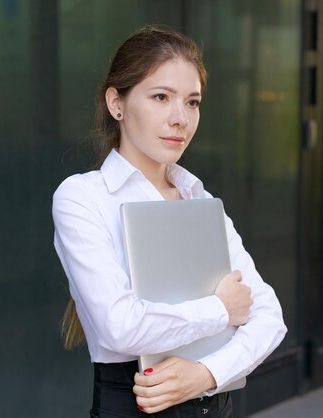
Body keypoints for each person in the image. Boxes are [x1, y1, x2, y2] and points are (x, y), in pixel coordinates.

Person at [52, 25, 287, 418]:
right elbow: (120, 326)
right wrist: (219, 310)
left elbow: (270, 317)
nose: (181, 118)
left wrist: (206, 373)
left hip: (216, 404)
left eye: (192, 102)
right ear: (117, 103)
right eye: (161, 97)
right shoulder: (84, 197)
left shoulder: (201, 201)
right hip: (133, 404)